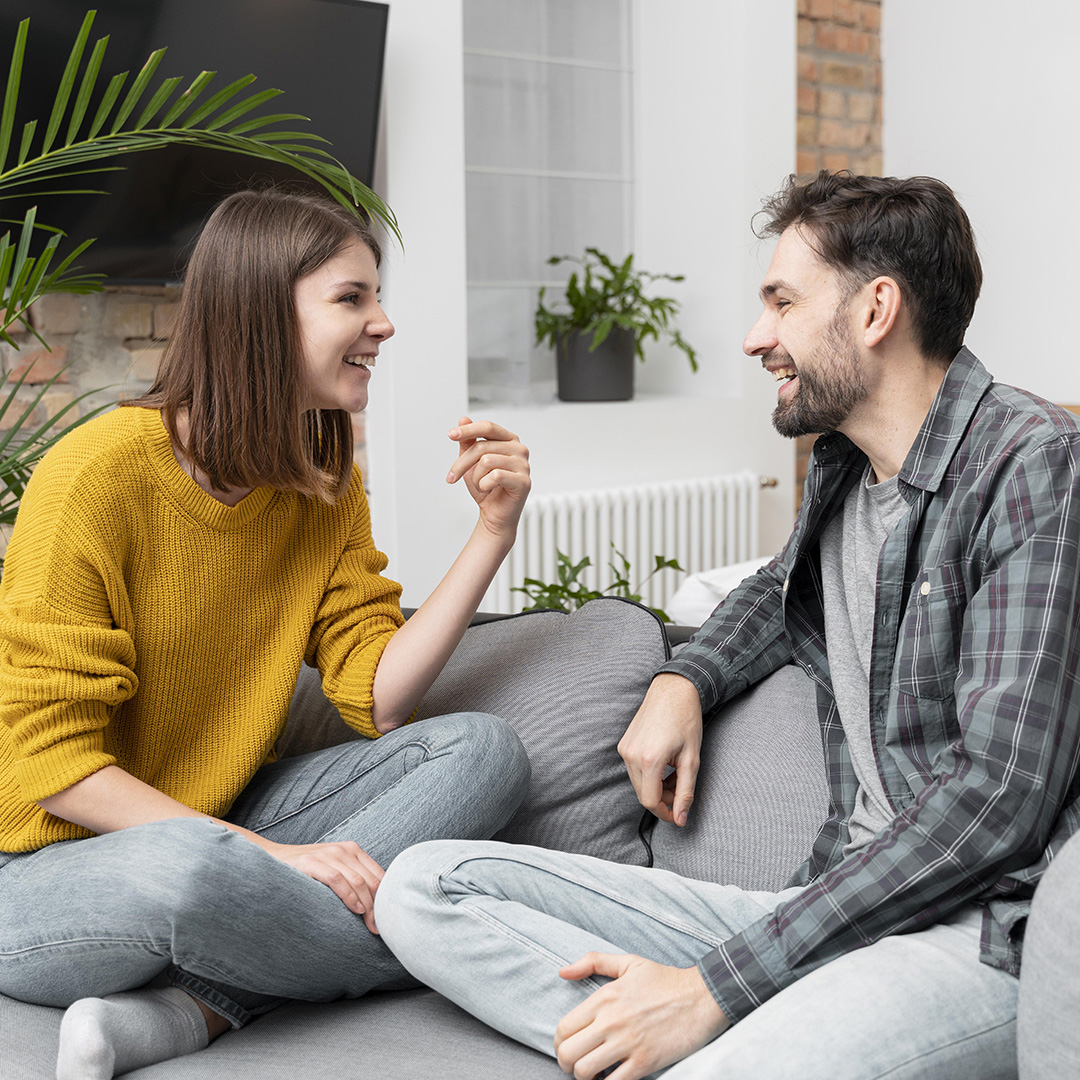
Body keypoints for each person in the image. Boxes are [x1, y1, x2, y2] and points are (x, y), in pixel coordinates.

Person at [373, 171, 1080, 1080]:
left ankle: (702, 1035)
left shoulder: (1034, 470)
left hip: (959, 930)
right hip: (818, 908)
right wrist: (683, 679)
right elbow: (776, 592)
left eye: (782, 302)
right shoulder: (844, 469)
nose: (756, 337)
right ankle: (679, 1035)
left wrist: (715, 988)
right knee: (424, 886)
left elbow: (997, 802)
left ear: (875, 310)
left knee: (714, 1043)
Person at [0, 188, 533, 1079]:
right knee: (185, 872)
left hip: (217, 818)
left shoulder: (321, 476)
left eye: (376, 296)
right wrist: (278, 857)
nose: (384, 324)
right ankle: (452, 947)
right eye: (351, 298)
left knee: (485, 752)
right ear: (260, 313)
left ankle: (200, 1008)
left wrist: (493, 533)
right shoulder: (92, 480)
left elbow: (378, 697)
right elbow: (52, 770)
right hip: (50, 874)